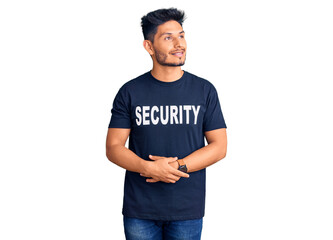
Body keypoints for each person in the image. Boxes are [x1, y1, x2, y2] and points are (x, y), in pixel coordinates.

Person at [106, 8, 227, 240]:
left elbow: (219, 146)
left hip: (187, 210)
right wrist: (148, 167)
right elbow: (113, 147)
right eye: (168, 37)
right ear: (149, 47)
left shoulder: (204, 90)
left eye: (181, 35)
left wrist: (177, 167)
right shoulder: (130, 92)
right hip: (140, 209)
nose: (179, 44)